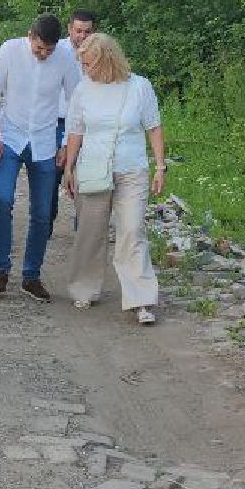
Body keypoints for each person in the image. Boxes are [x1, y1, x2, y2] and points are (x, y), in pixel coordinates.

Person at [61, 33, 165, 326]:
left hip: (132, 169)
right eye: (82, 63)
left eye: (89, 63)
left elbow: (154, 127)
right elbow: (76, 131)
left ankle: (141, 299)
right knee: (90, 232)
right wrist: (69, 167)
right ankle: (84, 287)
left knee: (132, 230)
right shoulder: (83, 89)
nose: (85, 69)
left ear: (106, 60)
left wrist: (159, 166)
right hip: (93, 168)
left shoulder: (140, 87)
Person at [0, 13, 80, 302]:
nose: (43, 54)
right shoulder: (10, 50)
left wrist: (65, 143)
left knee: (42, 212)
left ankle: (31, 275)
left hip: (45, 139)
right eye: (39, 48)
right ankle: (0, 269)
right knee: (3, 200)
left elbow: (76, 103)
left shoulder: (65, 58)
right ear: (30, 36)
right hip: (11, 136)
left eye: (48, 50)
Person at [51, 9, 96, 222]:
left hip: (87, 123)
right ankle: (46, 221)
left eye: (87, 31)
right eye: (78, 31)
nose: (82, 36)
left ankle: (83, 228)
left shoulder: (99, 54)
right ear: (70, 29)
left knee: (84, 177)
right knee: (52, 176)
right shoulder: (57, 50)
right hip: (57, 121)